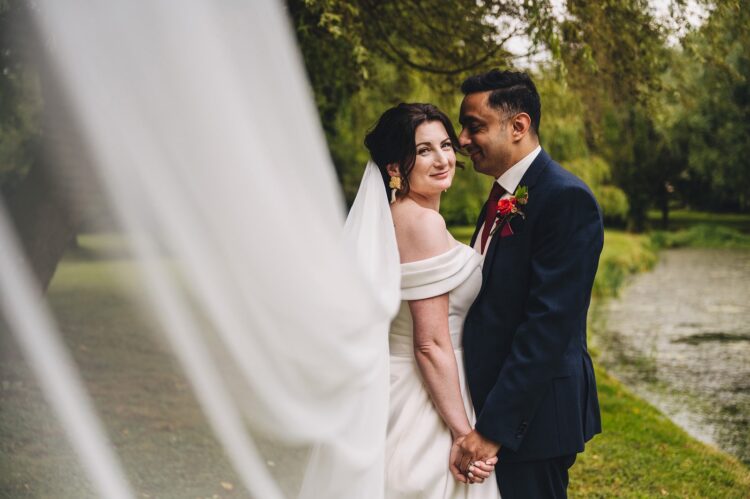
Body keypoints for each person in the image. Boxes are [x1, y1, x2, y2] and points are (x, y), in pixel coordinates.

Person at [453, 69, 604, 498]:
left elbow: (548, 329)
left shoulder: (566, 199)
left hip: (533, 421)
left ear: (518, 126)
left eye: (474, 126)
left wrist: (493, 429)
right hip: (493, 405)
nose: (463, 139)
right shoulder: (501, 195)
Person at [362, 103, 501, 498]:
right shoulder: (422, 222)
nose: (443, 159)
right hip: (426, 397)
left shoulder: (393, 216)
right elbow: (429, 342)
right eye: (424, 151)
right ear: (394, 167)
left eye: (445, 145)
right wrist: (463, 433)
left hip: (402, 382)